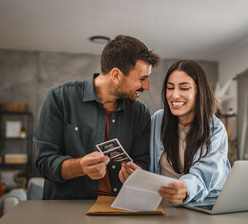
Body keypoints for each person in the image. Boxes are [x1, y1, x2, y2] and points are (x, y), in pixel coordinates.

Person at [34, 35, 160, 200]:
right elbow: (45, 162)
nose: (147, 86)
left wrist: (137, 174)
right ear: (116, 75)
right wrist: (80, 166)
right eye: (142, 78)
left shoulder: (140, 113)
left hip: (120, 209)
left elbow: (143, 161)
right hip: (67, 211)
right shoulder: (59, 98)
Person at [150, 60, 231, 204]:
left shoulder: (215, 128)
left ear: (200, 92)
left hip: (203, 203)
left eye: (184, 88)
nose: (174, 95)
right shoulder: (158, 120)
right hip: (163, 205)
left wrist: (185, 187)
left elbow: (205, 174)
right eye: (170, 88)